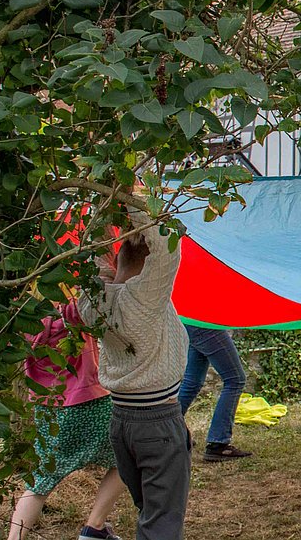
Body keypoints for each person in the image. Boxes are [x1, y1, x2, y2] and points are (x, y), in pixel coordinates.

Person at [79, 210, 191, 540]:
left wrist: (105, 212)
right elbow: (168, 247)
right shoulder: (144, 300)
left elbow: (93, 263)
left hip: (122, 421)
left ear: (117, 261)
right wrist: (134, 204)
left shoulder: (94, 301)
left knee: (151, 510)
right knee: (161, 520)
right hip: (157, 421)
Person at [8, 302, 126, 540]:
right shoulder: (73, 310)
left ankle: (13, 538)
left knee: (40, 482)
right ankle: (95, 526)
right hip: (89, 402)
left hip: (48, 408)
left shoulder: (21, 317)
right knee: (127, 456)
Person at [177, 324, 253, 462]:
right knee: (235, 379)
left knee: (192, 382)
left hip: (192, 320)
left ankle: (168, 430)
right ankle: (218, 444)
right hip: (205, 322)